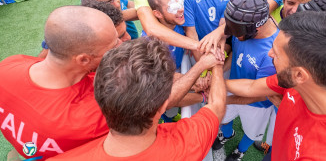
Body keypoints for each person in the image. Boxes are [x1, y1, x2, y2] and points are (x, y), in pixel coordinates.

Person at [226, 11, 326, 160]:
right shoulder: (305, 81)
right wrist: (216, 81)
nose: (270, 54)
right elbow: (251, 87)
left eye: (276, 53)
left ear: (300, 75)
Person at [48, 37, 227, 160]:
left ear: (98, 93)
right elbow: (217, 105)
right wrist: (216, 63)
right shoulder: (187, 145)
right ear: (165, 103)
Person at [0, 6, 121, 160]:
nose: (123, 42)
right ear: (83, 59)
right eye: (113, 46)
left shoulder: (9, 64)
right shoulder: (95, 112)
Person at [212, 0, 278, 161]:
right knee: (223, 118)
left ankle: (240, 151)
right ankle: (228, 134)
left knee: (251, 132)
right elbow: (237, 53)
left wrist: (222, 92)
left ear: (257, 26)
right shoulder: (243, 26)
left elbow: (256, 94)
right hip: (232, 86)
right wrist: (222, 65)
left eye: (236, 30)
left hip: (257, 104)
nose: (232, 33)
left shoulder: (274, 52)